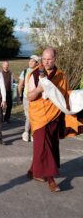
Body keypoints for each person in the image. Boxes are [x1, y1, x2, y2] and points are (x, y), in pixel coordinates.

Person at [27, 47, 69, 192]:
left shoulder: (61, 76)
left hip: (54, 116)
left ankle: (34, 170)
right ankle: (51, 179)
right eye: (44, 59)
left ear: (55, 59)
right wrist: (39, 89)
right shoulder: (34, 75)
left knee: (48, 145)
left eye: (49, 59)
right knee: (45, 147)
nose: (46, 62)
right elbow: (30, 97)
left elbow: (64, 97)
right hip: (39, 116)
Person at [18, 55, 40, 142]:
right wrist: (19, 96)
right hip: (26, 97)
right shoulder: (25, 72)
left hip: (36, 98)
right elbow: (20, 85)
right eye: (30, 61)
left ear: (36, 63)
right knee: (28, 116)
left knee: (34, 116)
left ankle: (31, 133)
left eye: (33, 61)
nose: (30, 62)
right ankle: (27, 132)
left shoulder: (39, 71)